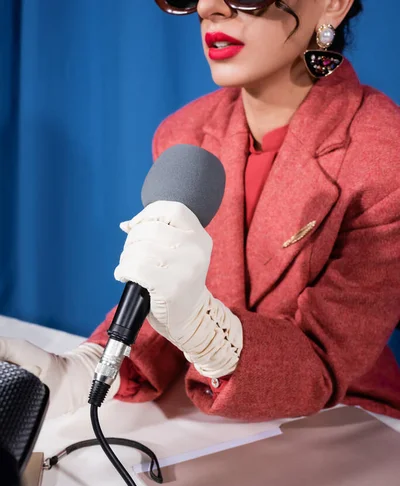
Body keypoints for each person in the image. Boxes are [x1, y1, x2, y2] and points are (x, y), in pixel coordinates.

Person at [1, 0, 400, 420]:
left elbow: (323, 359)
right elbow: (165, 298)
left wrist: (213, 338)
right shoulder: (184, 135)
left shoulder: (385, 156)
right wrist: (93, 365)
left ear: (333, 4)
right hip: (212, 421)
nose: (209, 8)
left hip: (352, 427)